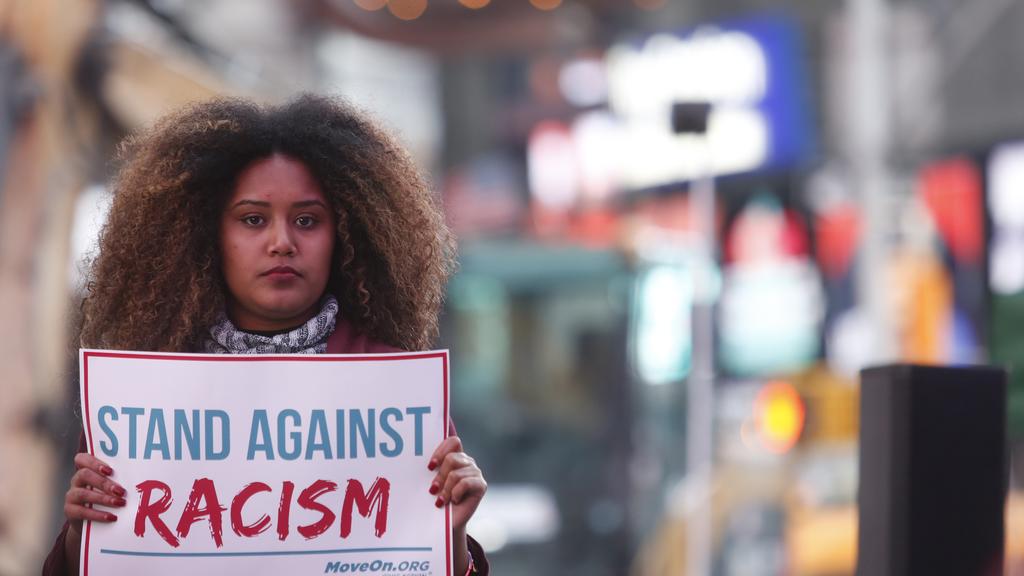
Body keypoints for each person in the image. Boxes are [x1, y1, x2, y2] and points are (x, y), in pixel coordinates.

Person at [42, 95, 488, 575]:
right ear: (208, 234)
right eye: (253, 219)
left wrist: (452, 533)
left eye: (307, 220)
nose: (282, 242)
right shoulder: (141, 401)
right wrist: (83, 534)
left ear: (345, 233)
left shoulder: (399, 396)